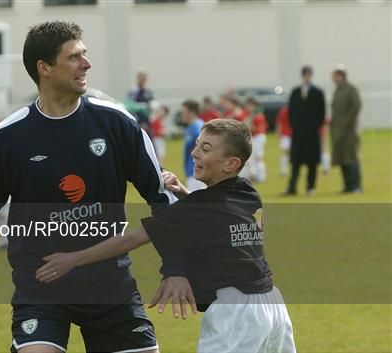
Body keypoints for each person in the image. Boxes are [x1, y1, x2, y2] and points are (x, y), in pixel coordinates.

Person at [0, 21, 175, 353]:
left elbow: (162, 199)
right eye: (74, 57)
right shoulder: (8, 139)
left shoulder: (117, 123)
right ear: (44, 68)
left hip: (111, 289)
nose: (87, 64)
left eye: (84, 54)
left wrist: (176, 268)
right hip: (41, 292)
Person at [36, 119, 296, 353]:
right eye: (196, 145)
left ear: (231, 163)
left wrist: (74, 259)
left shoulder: (197, 208)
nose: (194, 153)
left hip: (236, 311)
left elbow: (132, 239)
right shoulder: (247, 191)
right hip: (273, 304)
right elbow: (219, 213)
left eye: (206, 149)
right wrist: (184, 193)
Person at [284, 66, 325, 196]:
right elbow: (290, 112)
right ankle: (292, 187)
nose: (307, 77)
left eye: (309, 74)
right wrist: (295, 127)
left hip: (312, 134)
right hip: (298, 134)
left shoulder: (318, 92)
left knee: (312, 163)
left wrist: (314, 128)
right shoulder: (295, 92)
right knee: (296, 162)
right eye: (305, 74)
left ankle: (310, 187)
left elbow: (321, 113)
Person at [330, 65, 362, 194]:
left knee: (351, 159)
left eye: (335, 75)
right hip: (338, 131)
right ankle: (347, 186)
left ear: (341, 75)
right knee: (342, 159)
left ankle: (356, 186)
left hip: (349, 131)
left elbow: (356, 106)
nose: (333, 78)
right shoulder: (337, 90)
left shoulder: (351, 88)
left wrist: (348, 123)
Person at [240, 98, 268, 183]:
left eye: (249, 105)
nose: (248, 107)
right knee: (251, 158)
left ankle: (261, 177)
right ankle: (254, 175)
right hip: (253, 137)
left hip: (258, 136)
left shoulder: (258, 115)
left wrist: (249, 121)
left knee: (258, 157)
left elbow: (255, 129)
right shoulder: (250, 114)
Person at [181, 99, 206, 191]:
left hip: (198, 171)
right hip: (190, 170)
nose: (182, 114)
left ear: (192, 112)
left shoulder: (199, 127)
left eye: (184, 112)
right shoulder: (189, 128)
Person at [127, 70, 155, 137]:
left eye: (144, 77)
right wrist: (139, 122)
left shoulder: (148, 91)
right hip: (138, 121)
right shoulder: (133, 91)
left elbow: (152, 105)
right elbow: (129, 106)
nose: (142, 79)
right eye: (141, 77)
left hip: (147, 121)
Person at [275, 105, 292, 177]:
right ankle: (283, 171)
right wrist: (279, 133)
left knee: (289, 153)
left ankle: (286, 170)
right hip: (286, 134)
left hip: (292, 135)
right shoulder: (284, 111)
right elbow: (279, 122)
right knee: (285, 152)